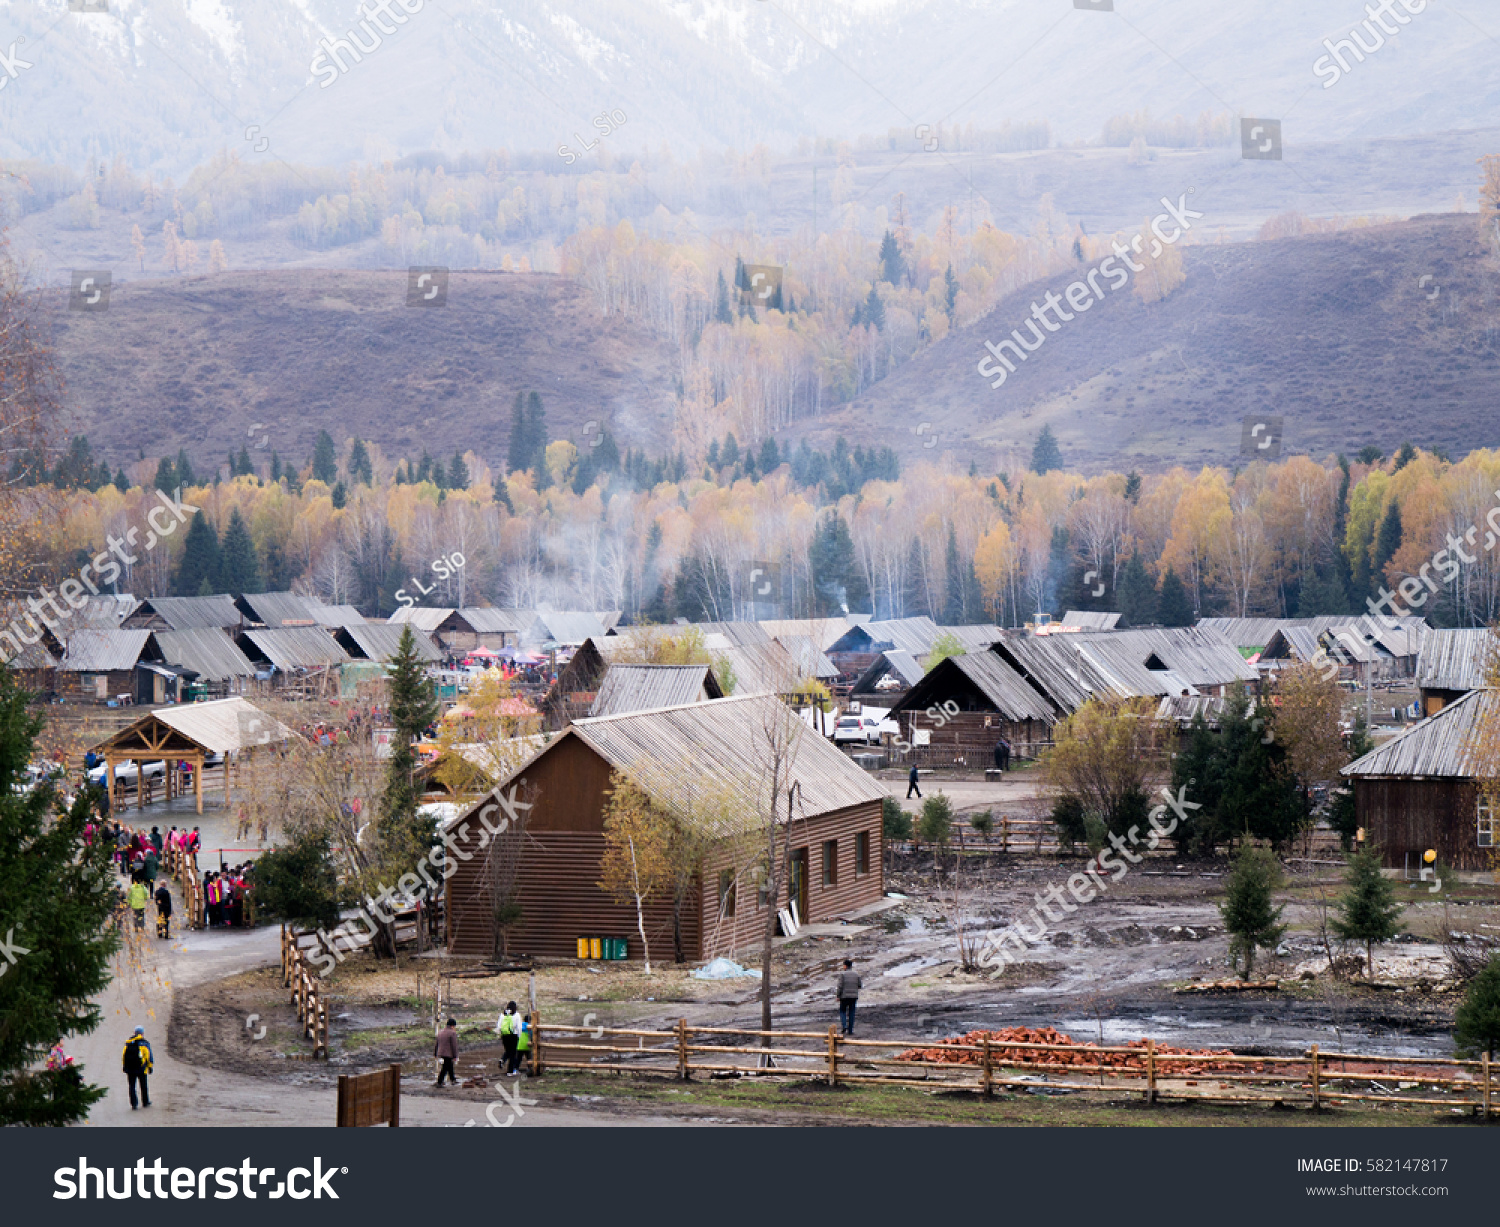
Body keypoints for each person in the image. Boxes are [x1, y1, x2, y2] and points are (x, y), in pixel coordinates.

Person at [122, 1027, 153, 1109]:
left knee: (132, 1086)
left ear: (134, 1033)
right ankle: (145, 1102)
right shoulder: (144, 1043)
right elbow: (149, 1056)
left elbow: (124, 1055)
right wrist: (150, 1066)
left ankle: (134, 1104)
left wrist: (124, 1067)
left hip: (130, 1069)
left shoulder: (129, 1043)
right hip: (141, 1068)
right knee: (143, 1086)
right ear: (142, 1033)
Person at [836, 958, 862, 1036]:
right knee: (851, 1013)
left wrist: (838, 995)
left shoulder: (842, 974)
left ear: (845, 966)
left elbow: (840, 986)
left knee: (842, 1011)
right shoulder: (856, 974)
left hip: (844, 996)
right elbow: (860, 985)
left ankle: (844, 1025)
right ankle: (850, 1030)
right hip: (854, 997)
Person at [497, 1002, 522, 1076]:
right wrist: (519, 1036)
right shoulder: (516, 1014)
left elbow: (499, 1025)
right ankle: (510, 1071)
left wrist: (500, 1034)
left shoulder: (503, 1014)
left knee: (508, 1050)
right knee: (513, 1053)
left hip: (504, 1035)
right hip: (513, 1035)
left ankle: (503, 1059)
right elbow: (519, 1027)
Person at [434, 1018, 459, 1087]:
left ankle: (453, 1079)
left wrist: (435, 1053)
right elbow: (454, 1045)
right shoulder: (452, 1033)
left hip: (440, 1052)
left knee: (449, 1066)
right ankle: (440, 1081)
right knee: (445, 1068)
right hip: (448, 1053)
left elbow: (437, 1043)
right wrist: (455, 1056)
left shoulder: (441, 1031)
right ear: (452, 1025)